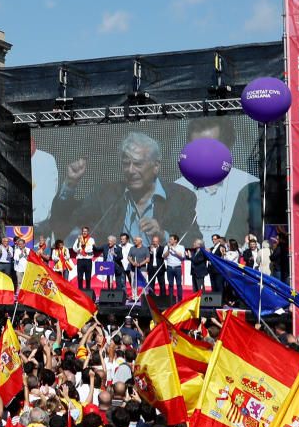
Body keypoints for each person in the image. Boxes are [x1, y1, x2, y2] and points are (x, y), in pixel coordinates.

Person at [50, 132, 202, 246]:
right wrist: (70, 183)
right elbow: (65, 219)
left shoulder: (181, 197)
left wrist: (164, 236)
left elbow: (195, 240)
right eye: (126, 163)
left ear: (156, 166)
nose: (130, 170)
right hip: (115, 275)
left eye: (138, 164)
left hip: (160, 274)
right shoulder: (105, 194)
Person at [176, 116, 260, 240]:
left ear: (229, 144)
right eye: (196, 148)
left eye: (211, 147)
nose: (203, 154)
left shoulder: (249, 185)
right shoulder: (177, 188)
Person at [165, 235, 185, 303]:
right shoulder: (166, 247)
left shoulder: (181, 247)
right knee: (170, 284)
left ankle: (180, 300)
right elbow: (164, 256)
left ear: (175, 240)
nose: (169, 240)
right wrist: (168, 249)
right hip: (169, 267)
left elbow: (182, 256)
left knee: (179, 284)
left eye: (171, 239)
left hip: (177, 267)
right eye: (169, 239)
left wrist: (173, 249)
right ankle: (171, 300)